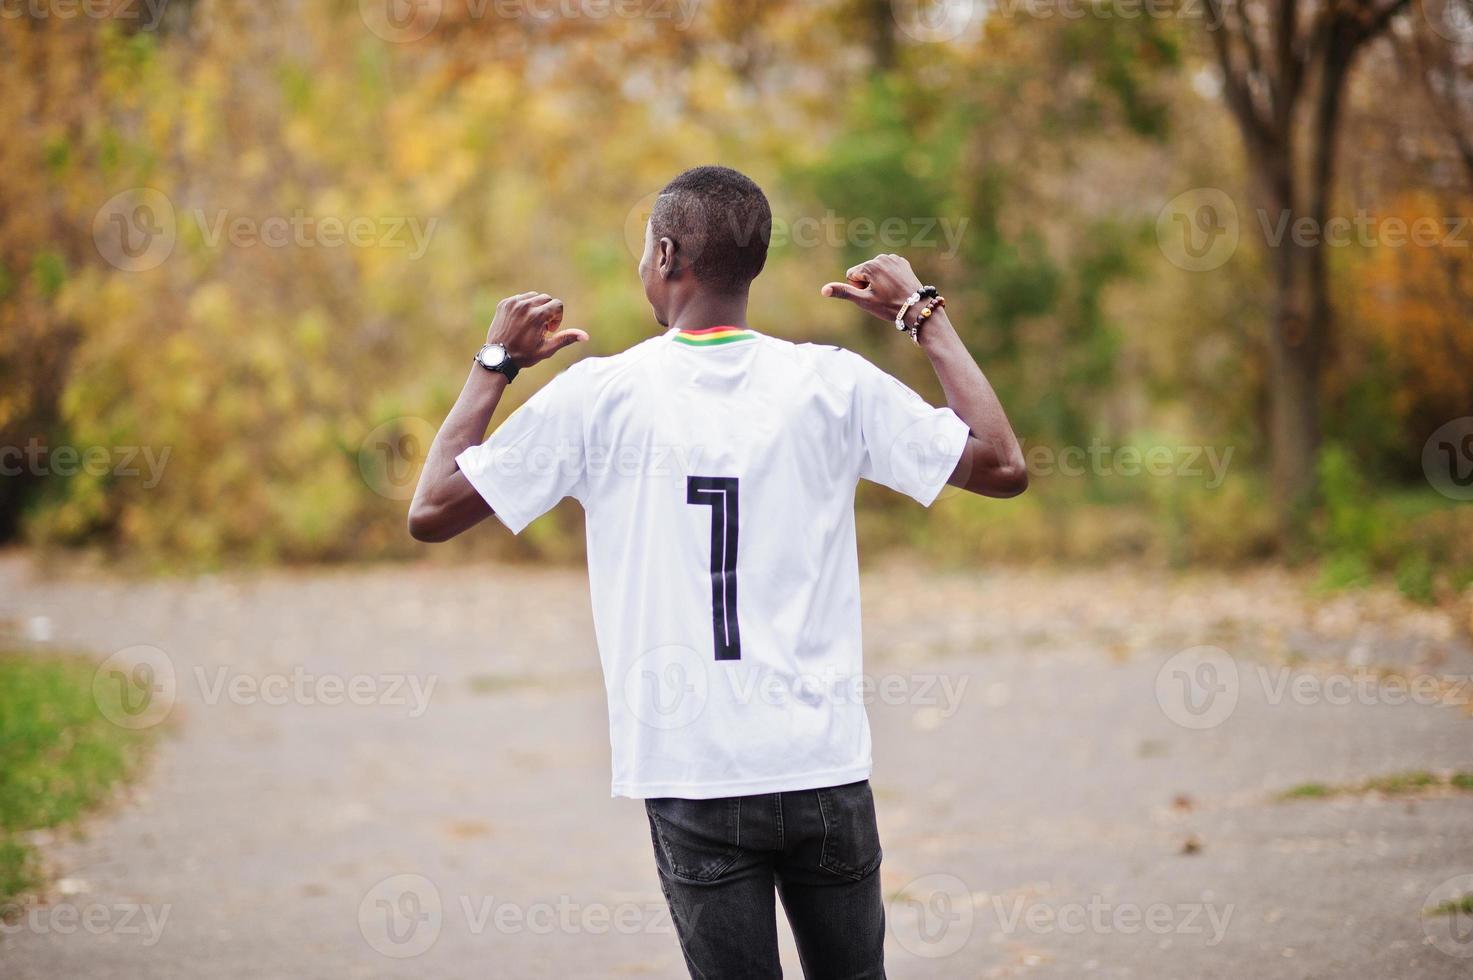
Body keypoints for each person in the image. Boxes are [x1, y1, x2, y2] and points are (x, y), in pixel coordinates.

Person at [408, 165, 1026, 978]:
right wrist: (921, 316)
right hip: (822, 766)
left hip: (695, 772)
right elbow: (1000, 465)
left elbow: (433, 508)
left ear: (666, 256)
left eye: (642, 251)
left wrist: (495, 362)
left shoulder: (601, 396)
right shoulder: (829, 383)